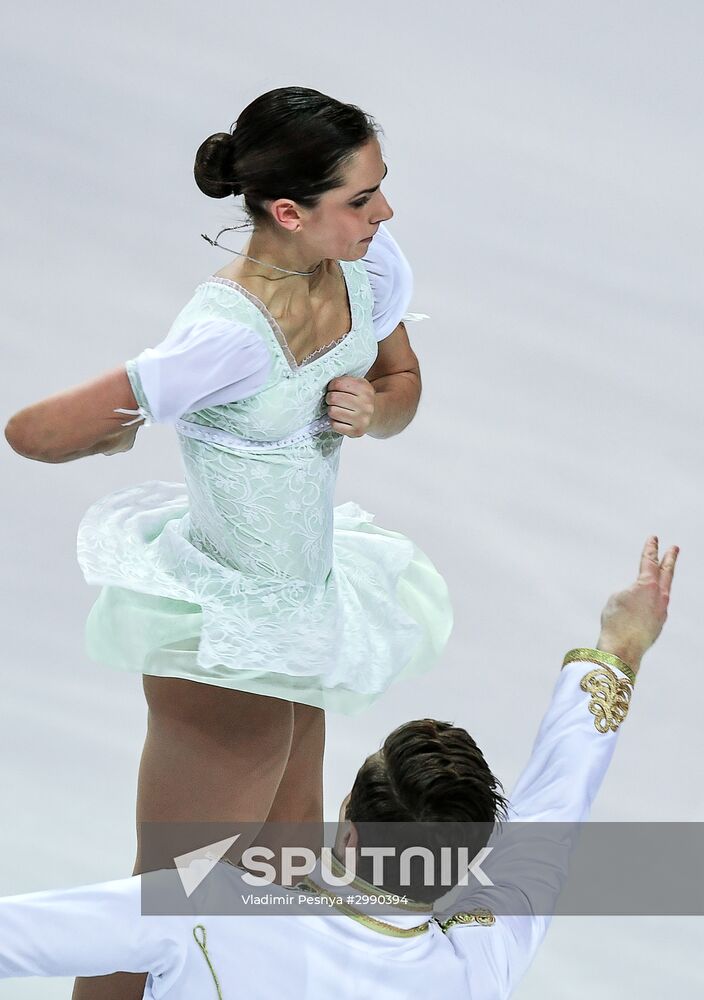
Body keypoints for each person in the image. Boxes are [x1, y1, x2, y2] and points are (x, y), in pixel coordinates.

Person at [3, 86, 453, 1000]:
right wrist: (121, 423)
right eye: (362, 198)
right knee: (158, 920)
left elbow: (401, 375)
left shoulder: (366, 262)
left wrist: (379, 407)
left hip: (302, 625)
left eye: (381, 188)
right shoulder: (224, 338)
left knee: (270, 903)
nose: (385, 212)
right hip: (227, 651)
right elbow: (33, 431)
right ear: (289, 211)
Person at [0, 536, 679, 998]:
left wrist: (620, 643)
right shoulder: (481, 957)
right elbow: (553, 814)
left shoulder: (203, 907)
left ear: (348, 832)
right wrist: (620, 646)